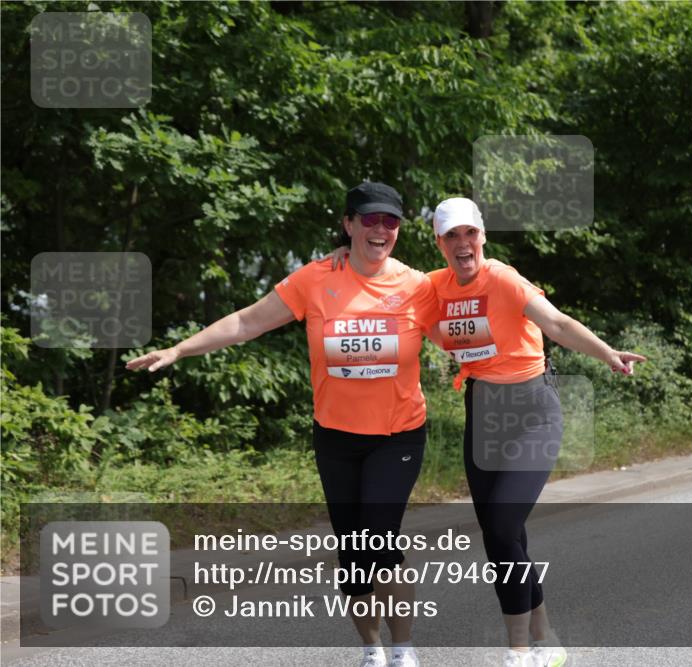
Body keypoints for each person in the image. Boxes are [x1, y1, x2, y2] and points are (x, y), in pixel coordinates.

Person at [126, 182, 437, 667]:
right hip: (334, 436)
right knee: (353, 558)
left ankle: (404, 649)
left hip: (397, 436)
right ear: (349, 224)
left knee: (380, 539)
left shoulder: (418, 286)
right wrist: (180, 348)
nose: (380, 230)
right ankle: (372, 650)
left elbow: (468, 321)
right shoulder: (316, 279)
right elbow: (248, 322)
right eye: (370, 220)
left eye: (390, 221)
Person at [330, 197, 646, 667]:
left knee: (502, 526)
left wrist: (607, 353)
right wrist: (339, 256)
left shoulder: (502, 278)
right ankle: (546, 637)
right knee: (504, 536)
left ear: (483, 236)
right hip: (482, 412)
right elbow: (380, 270)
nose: (463, 244)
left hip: (532, 410)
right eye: (451, 236)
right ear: (439, 243)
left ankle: (520, 651)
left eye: (470, 234)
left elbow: (556, 322)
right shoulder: (433, 286)